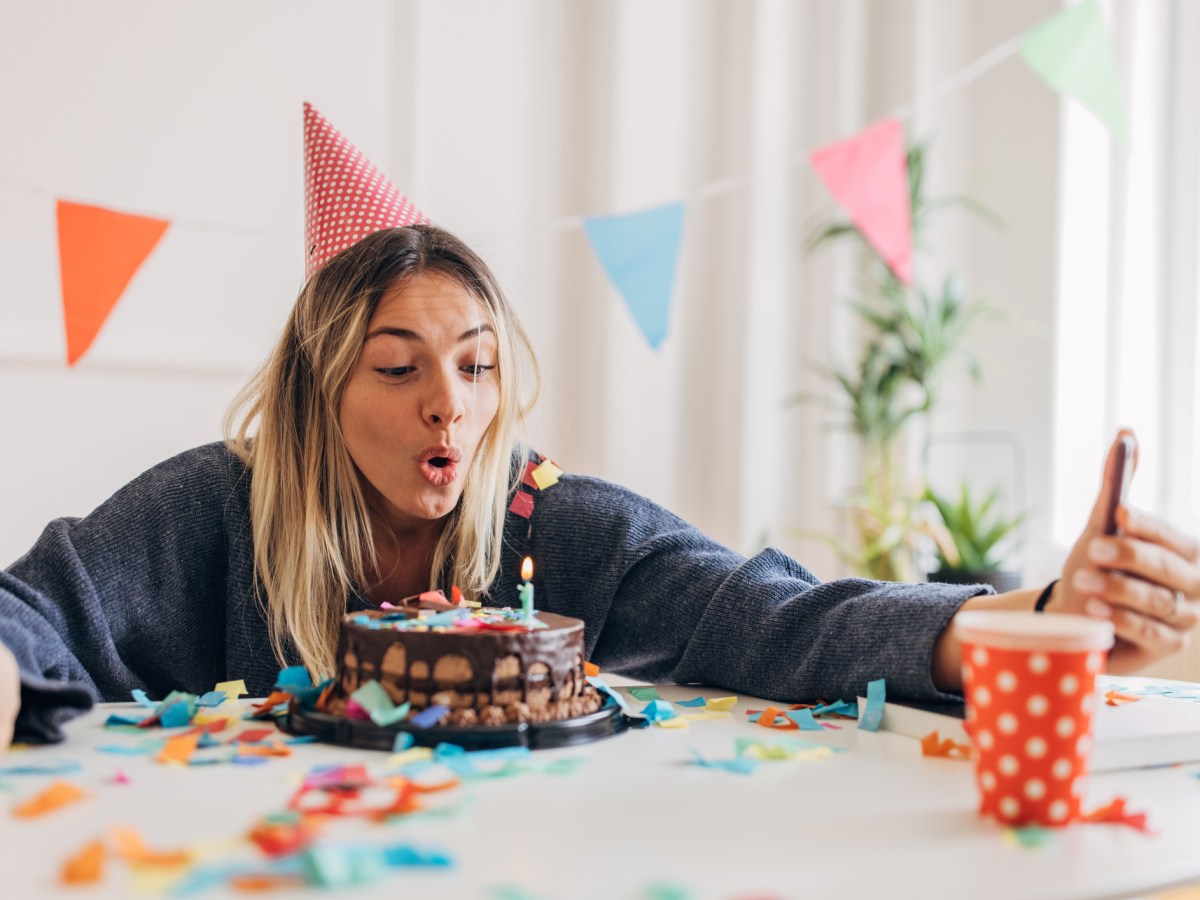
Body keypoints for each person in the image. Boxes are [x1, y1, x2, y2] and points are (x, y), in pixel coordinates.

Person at [2, 107, 1198, 754]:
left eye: (476, 367)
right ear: (321, 388)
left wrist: (1041, 620)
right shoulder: (215, 509)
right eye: (399, 367)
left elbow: (773, 615)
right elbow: (33, 606)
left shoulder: (550, 523)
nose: (451, 407)